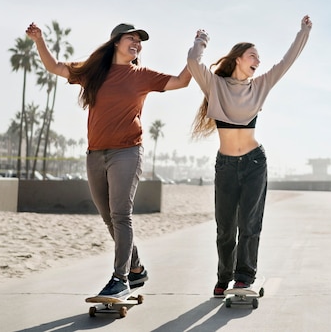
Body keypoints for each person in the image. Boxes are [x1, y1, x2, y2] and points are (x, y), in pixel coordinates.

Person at [25, 22, 193, 299]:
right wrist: (39, 40)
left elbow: (181, 81)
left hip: (126, 152)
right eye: (132, 38)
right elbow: (55, 67)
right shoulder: (94, 71)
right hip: (95, 153)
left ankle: (121, 279)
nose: (137, 43)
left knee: (120, 215)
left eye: (140, 41)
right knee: (107, 217)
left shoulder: (142, 75)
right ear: (116, 42)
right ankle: (136, 267)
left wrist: (195, 53)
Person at [187, 15, 312, 296]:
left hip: (255, 162)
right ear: (238, 59)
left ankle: (244, 277)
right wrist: (201, 40)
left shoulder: (261, 85)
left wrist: (303, 31)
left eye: (259, 56)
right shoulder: (215, 86)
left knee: (250, 224)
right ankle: (224, 276)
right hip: (226, 165)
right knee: (225, 227)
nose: (258, 60)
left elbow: (287, 61)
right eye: (253, 55)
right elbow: (194, 63)